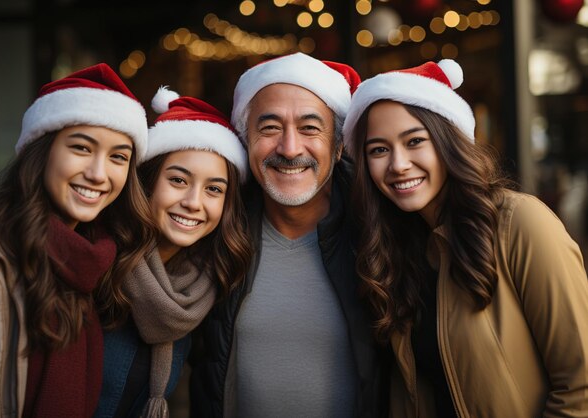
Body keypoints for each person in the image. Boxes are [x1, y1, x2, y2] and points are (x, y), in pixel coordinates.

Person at [343, 59, 588, 417]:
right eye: (379, 150)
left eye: (414, 141)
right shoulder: (393, 249)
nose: (398, 164)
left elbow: (581, 385)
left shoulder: (518, 224)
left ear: (448, 142)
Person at [190, 52, 386, 418]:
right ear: (245, 140)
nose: (290, 148)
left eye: (310, 128)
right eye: (269, 128)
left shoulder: (378, 234)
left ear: (339, 144)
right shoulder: (212, 233)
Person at [0, 63, 156, 418]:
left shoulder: (102, 263)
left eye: (118, 157)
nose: (98, 174)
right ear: (42, 151)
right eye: (81, 148)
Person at [94, 89, 252, 418]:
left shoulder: (205, 285)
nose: (194, 202)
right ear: (148, 182)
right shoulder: (98, 263)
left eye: (214, 189)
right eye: (179, 180)